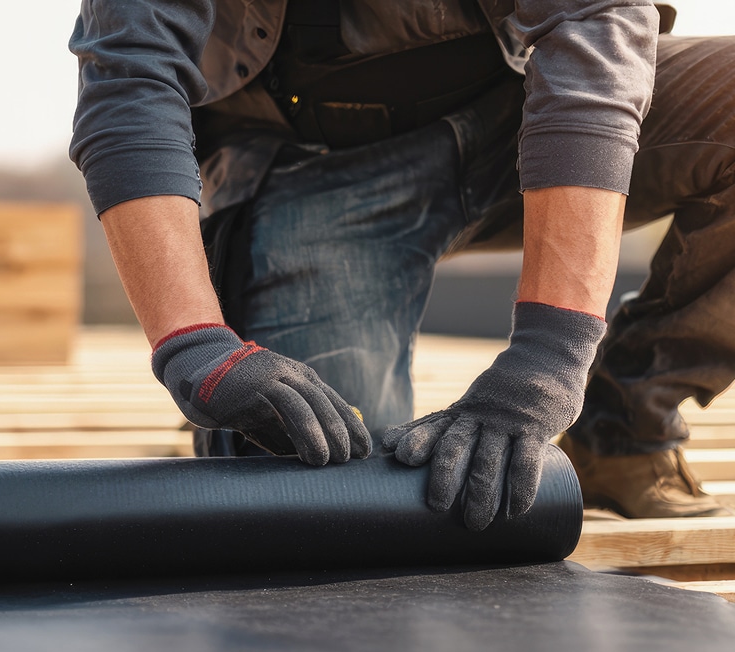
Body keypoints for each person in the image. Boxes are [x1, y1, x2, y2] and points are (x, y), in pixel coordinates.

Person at [70, 0, 735, 529]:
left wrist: (549, 360)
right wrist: (195, 346)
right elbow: (131, 80)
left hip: (520, 112)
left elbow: (595, 28)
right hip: (317, 164)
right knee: (332, 500)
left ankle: (619, 434)